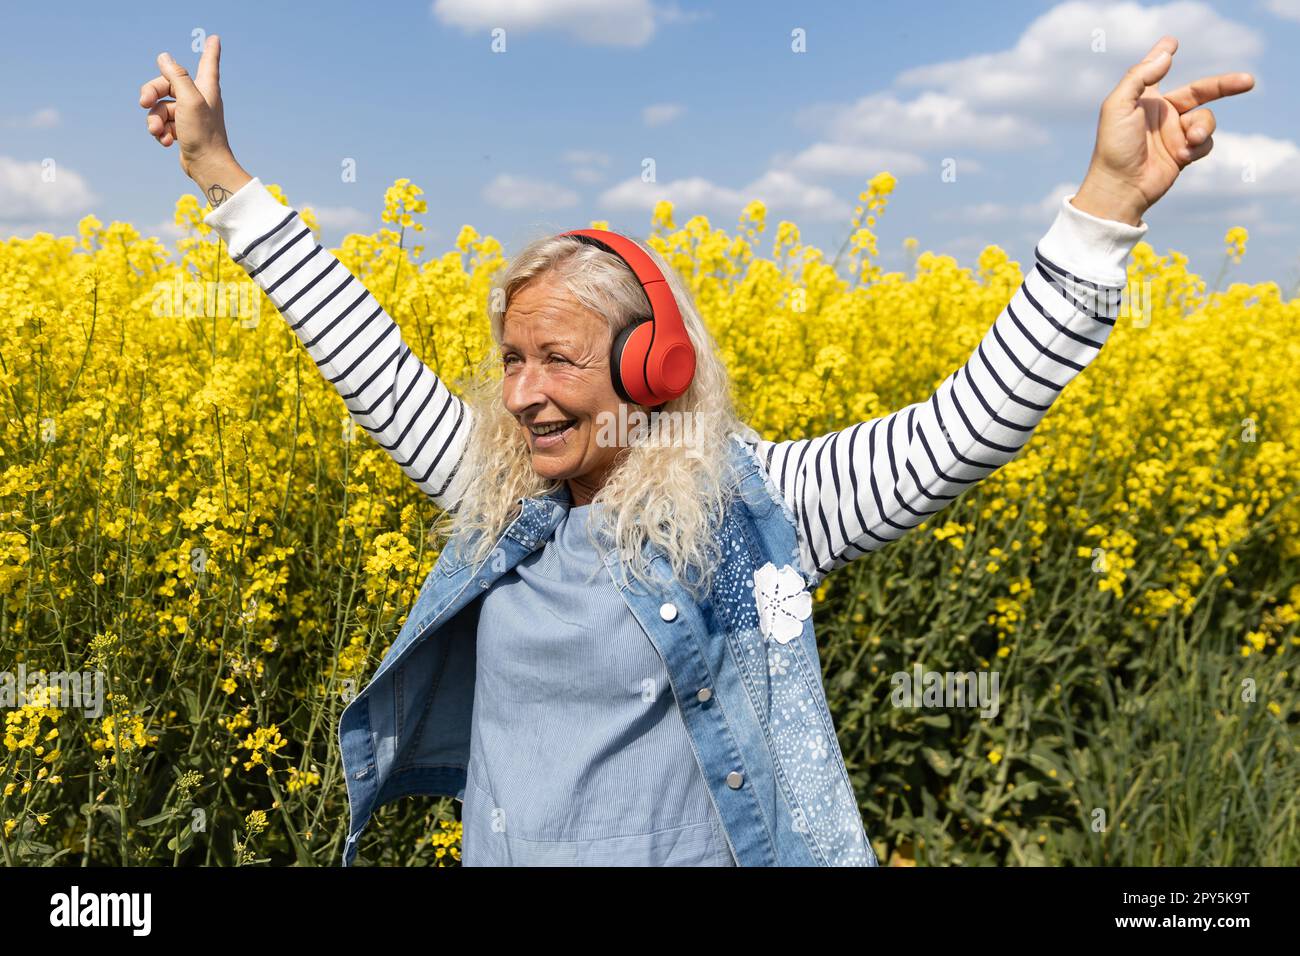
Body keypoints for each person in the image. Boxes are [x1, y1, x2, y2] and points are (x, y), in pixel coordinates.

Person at [139, 34, 1253, 866]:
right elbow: (363, 356)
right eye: (509, 359)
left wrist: (1107, 202)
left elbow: (969, 422)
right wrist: (220, 176)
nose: (521, 395)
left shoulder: (757, 508)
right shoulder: (495, 490)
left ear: (651, 367)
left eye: (557, 361)